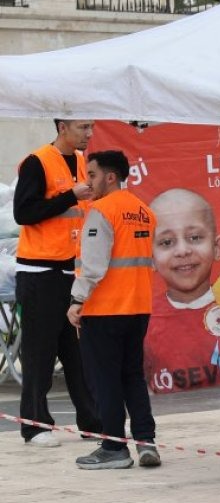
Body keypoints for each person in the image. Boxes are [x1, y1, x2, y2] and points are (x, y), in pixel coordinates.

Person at [66, 151, 159, 470]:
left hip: (105, 309)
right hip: (138, 307)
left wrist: (77, 301)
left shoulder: (101, 211)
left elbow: (92, 265)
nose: (87, 182)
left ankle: (113, 447)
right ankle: (146, 441)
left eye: (91, 175)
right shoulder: (144, 211)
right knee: (132, 375)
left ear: (109, 177)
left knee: (105, 379)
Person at [12, 119, 101, 447]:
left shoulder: (82, 162)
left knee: (77, 352)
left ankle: (92, 422)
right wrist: (68, 196)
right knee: (39, 352)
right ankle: (35, 425)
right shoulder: (37, 162)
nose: (89, 133)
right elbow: (24, 212)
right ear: (63, 126)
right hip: (39, 273)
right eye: (83, 127)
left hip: (71, 271)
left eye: (91, 127)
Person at [145, 188, 220, 394]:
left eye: (195, 237)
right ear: (150, 257)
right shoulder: (143, 319)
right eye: (166, 242)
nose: (182, 251)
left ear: (217, 247)